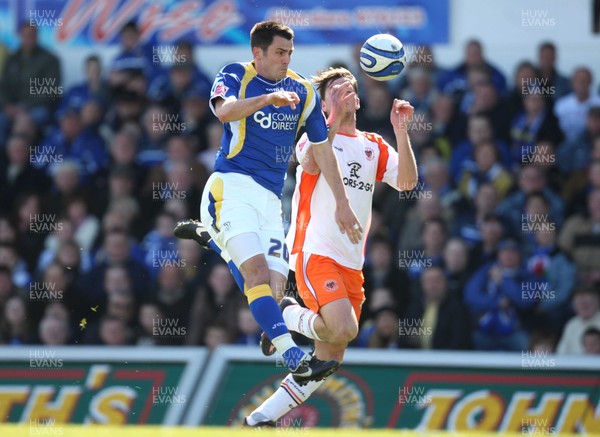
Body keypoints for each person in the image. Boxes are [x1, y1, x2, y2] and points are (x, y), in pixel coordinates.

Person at [181, 22, 362, 386]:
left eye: (290, 53)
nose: (286, 60)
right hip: (232, 188)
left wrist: (343, 203)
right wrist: (267, 99)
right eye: (279, 53)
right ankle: (293, 355)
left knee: (276, 292)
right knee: (258, 276)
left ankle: (214, 241)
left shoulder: (303, 90)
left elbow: (322, 149)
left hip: (269, 199)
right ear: (257, 53)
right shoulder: (236, 75)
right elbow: (224, 112)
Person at [245, 67, 417, 425]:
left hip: (351, 260)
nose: (345, 91)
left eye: (348, 86)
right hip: (314, 250)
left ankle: (261, 417)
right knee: (345, 328)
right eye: (335, 90)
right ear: (323, 104)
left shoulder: (373, 144)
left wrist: (401, 131)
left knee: (331, 354)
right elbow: (307, 161)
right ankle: (283, 315)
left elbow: (407, 182)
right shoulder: (314, 136)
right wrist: (332, 117)